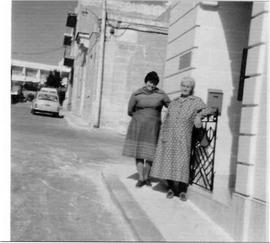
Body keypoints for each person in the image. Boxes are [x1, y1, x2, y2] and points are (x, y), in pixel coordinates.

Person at [150, 77, 215, 200]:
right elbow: (166, 120)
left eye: (188, 86)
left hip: (184, 137)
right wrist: (162, 136)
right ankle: (170, 188)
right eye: (183, 86)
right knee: (168, 162)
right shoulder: (174, 102)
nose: (185, 88)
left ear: (191, 89)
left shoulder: (195, 101)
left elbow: (211, 109)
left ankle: (182, 190)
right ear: (181, 86)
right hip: (169, 136)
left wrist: (199, 116)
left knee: (182, 163)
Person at [123, 71, 170, 187]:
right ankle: (140, 177)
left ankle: (146, 176)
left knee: (151, 153)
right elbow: (130, 110)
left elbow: (171, 106)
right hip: (138, 126)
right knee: (138, 152)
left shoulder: (161, 94)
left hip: (154, 127)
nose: (151, 85)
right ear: (146, 81)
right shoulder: (136, 94)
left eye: (154, 83)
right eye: (150, 82)